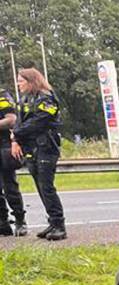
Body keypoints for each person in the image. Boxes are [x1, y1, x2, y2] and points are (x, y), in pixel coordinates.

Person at [12, 68, 66, 240]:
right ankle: (52, 222)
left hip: (46, 147)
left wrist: (17, 133)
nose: (18, 84)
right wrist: (16, 139)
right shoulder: (25, 99)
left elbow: (40, 122)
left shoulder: (46, 98)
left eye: (21, 81)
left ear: (31, 81)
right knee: (40, 187)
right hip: (31, 148)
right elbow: (19, 121)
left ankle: (59, 225)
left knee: (46, 186)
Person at [0, 87, 26, 236]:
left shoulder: (1, 95)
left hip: (3, 145)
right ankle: (3, 222)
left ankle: (20, 220)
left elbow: (11, 119)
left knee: (10, 186)